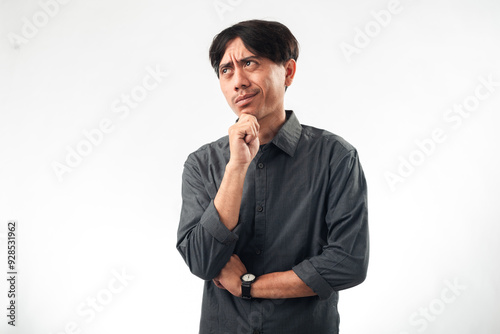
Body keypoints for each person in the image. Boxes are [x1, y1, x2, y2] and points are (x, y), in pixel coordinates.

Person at [176, 19, 369, 334]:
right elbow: (201, 261)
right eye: (226, 70)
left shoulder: (336, 157)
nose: (238, 80)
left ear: (288, 71)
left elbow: (348, 264)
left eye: (250, 63)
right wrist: (236, 167)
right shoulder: (202, 164)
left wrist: (249, 285)